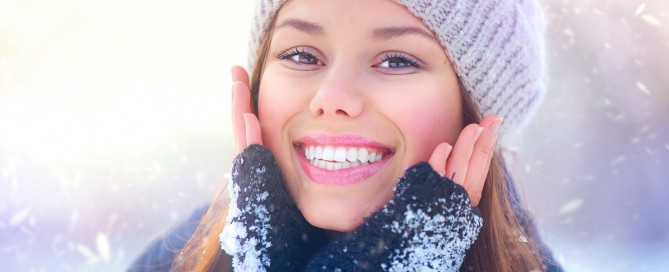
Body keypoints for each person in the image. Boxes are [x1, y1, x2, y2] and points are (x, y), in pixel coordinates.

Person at [129, 0, 563, 271]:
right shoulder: (176, 260)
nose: (332, 97)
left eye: (396, 61)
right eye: (301, 54)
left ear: (477, 114)